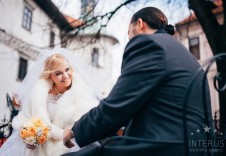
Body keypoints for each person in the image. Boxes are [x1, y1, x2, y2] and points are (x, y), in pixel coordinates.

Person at [63, 7, 214, 156]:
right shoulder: (187, 56)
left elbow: (116, 107)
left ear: (140, 24)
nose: (129, 40)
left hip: (163, 147)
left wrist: (75, 130)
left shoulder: (150, 45)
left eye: (129, 34)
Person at [0, 48, 99, 156]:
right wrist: (28, 139)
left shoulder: (83, 93)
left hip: (69, 148)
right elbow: (24, 119)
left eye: (67, 69)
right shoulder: (38, 93)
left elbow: (87, 123)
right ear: (49, 75)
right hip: (39, 150)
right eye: (58, 73)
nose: (65, 76)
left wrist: (68, 135)